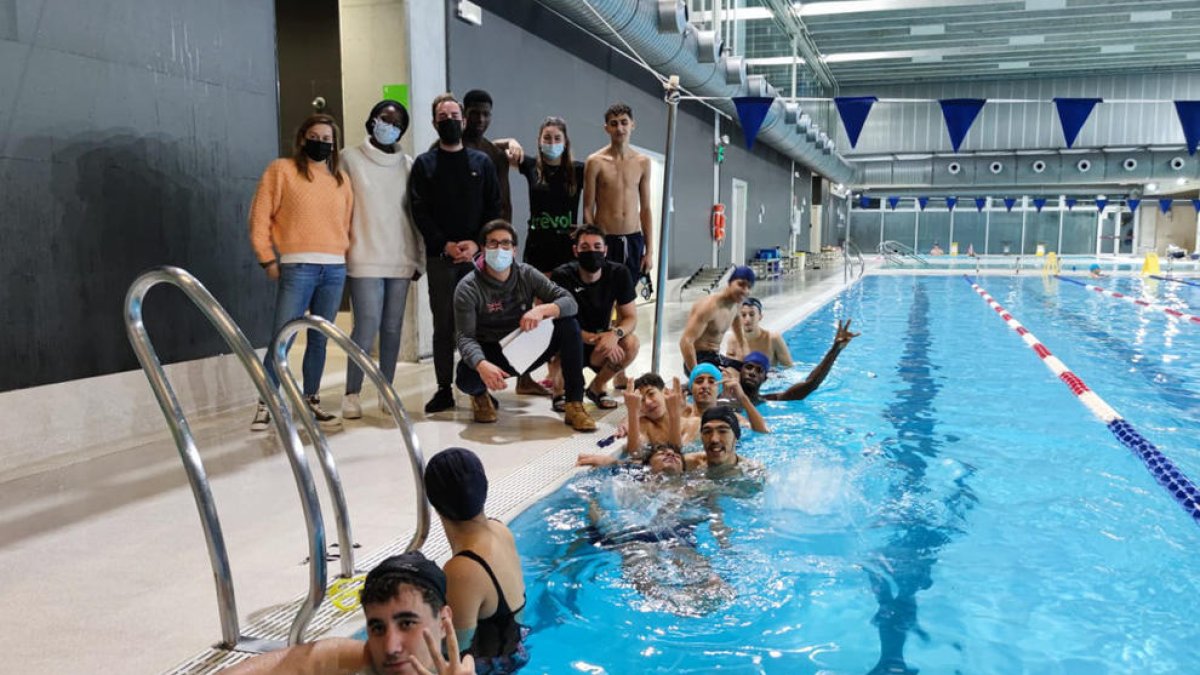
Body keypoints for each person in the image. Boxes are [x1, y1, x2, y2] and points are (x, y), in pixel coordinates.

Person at [248, 113, 353, 432]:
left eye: (327, 139)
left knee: (320, 339)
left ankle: (311, 400)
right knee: (283, 336)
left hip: (335, 268)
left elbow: (346, 223)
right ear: (302, 138)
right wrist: (267, 258)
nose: (320, 143)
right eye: (315, 136)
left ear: (334, 145)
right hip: (298, 266)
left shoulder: (341, 180)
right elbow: (259, 217)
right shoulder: (281, 171)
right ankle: (266, 402)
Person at [223, 551, 473, 675]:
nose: (390, 646)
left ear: (443, 621)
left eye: (407, 623)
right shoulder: (361, 660)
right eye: (377, 628)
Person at [453, 220, 597, 431]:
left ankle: (574, 403)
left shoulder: (526, 274)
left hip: (523, 345)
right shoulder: (468, 287)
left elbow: (569, 302)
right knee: (466, 378)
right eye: (492, 244)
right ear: (483, 249)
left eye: (505, 244)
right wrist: (481, 364)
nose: (499, 249)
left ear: (514, 250)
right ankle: (480, 396)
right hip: (491, 353)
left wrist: (541, 310)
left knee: (569, 325)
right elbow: (465, 337)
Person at [409, 93, 501, 414]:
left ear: (463, 121)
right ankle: (444, 388)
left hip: (476, 260)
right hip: (441, 259)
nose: (449, 121)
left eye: (453, 115)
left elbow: (493, 207)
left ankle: (480, 386)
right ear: (435, 123)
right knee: (444, 325)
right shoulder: (424, 164)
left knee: (479, 325)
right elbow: (419, 210)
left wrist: (477, 243)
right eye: (442, 117)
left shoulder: (482, 163)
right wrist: (444, 244)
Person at [340, 99, 424, 420]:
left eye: (395, 123)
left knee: (392, 328)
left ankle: (385, 389)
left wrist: (418, 259)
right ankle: (351, 392)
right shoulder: (349, 159)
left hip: (400, 256)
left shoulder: (408, 164)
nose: (388, 126)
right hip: (363, 254)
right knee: (366, 325)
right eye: (383, 119)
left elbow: (414, 215)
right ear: (371, 120)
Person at [424, 447, 529, 673]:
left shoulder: (462, 570)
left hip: (491, 668)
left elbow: (451, 653)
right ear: (485, 488)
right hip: (517, 653)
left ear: (435, 505)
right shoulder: (501, 530)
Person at [550, 225, 639, 409]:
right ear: (575, 251)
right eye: (585, 247)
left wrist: (615, 334)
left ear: (605, 250)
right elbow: (556, 320)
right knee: (554, 346)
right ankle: (559, 391)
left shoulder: (619, 273)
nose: (592, 252)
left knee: (631, 343)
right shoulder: (562, 276)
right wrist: (592, 338)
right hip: (570, 341)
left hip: (602, 345)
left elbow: (631, 317)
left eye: (597, 247)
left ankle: (597, 387)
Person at [582, 103, 654, 279]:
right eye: (614, 124)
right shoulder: (595, 162)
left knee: (628, 298)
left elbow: (645, 209)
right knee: (604, 296)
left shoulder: (643, 162)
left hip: (633, 239)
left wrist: (649, 252)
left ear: (632, 125)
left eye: (624, 122)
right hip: (605, 239)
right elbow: (587, 208)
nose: (619, 128)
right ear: (606, 128)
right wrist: (593, 243)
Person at [516, 117, 585, 274]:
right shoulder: (530, 166)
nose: (552, 142)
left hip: (566, 247)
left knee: (564, 296)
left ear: (565, 142)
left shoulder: (579, 170)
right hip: (537, 245)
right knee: (537, 296)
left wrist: (589, 224)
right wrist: (510, 142)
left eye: (557, 138)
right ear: (539, 141)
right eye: (547, 137)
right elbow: (493, 150)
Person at [738, 320, 860, 405]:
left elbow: (810, 383)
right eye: (749, 367)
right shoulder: (722, 396)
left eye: (759, 370)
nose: (752, 372)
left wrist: (836, 348)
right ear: (740, 371)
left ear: (765, 379)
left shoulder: (769, 400)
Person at [462, 89, 523, 224]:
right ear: (464, 114)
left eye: (486, 114)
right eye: (475, 113)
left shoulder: (496, 154)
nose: (480, 119)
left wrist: (505, 237)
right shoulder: (447, 149)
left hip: (489, 235)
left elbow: (504, 204)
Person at [679, 266, 755, 375]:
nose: (745, 291)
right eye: (741, 284)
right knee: (732, 378)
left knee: (753, 374)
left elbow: (741, 339)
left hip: (715, 358)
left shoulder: (736, 305)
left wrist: (749, 362)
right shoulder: (709, 306)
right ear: (730, 283)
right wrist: (696, 375)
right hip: (698, 360)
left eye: (749, 287)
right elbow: (685, 342)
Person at [684, 405, 764, 480]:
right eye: (707, 432)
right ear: (701, 437)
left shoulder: (753, 472)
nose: (714, 439)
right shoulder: (687, 464)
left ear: (736, 436)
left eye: (722, 431)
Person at [684, 363, 768, 434]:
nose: (705, 386)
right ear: (691, 387)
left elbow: (763, 431)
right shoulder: (683, 414)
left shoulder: (729, 417)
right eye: (699, 381)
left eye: (712, 382)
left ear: (719, 389)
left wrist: (743, 398)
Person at [722, 297, 793, 368]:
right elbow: (729, 369)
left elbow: (789, 369)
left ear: (760, 316)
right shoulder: (733, 340)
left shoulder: (773, 339)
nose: (747, 319)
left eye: (752, 314)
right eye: (743, 315)